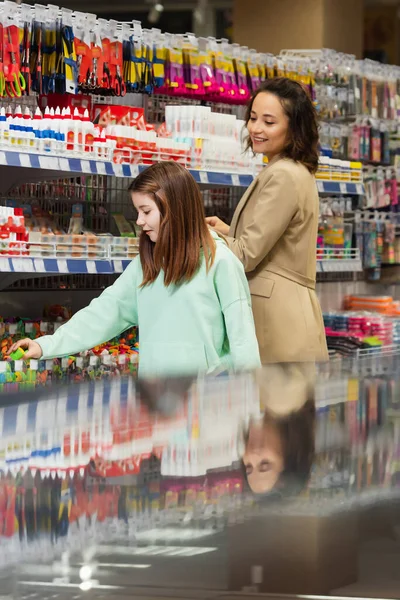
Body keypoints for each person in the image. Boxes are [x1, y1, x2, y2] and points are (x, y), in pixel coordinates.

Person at [9, 162, 261, 378]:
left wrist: (250, 407)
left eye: (146, 211)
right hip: (156, 400)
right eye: (138, 211)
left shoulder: (220, 262)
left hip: (206, 404)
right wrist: (46, 345)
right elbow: (105, 312)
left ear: (176, 209)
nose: (139, 221)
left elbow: (243, 341)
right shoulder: (146, 264)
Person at [206, 77, 328, 364]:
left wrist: (197, 232)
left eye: (269, 122)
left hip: (279, 324)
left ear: (294, 127)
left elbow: (247, 255)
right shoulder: (291, 169)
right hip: (286, 317)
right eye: (252, 118)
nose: (256, 128)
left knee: (280, 406)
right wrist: (227, 231)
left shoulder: (283, 174)